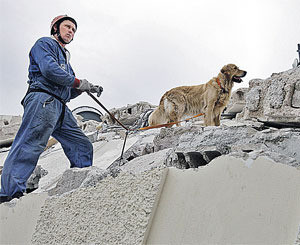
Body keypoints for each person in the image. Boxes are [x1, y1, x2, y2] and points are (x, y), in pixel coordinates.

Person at [0, 15, 102, 204]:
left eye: (73, 29)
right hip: (42, 99)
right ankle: (8, 195)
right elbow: (50, 71)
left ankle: (78, 189)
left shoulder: (66, 59)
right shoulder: (44, 44)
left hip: (60, 106)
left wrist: (84, 89)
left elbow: (68, 92)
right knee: (30, 145)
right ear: (55, 28)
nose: (71, 31)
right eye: (67, 27)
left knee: (81, 144)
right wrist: (79, 82)